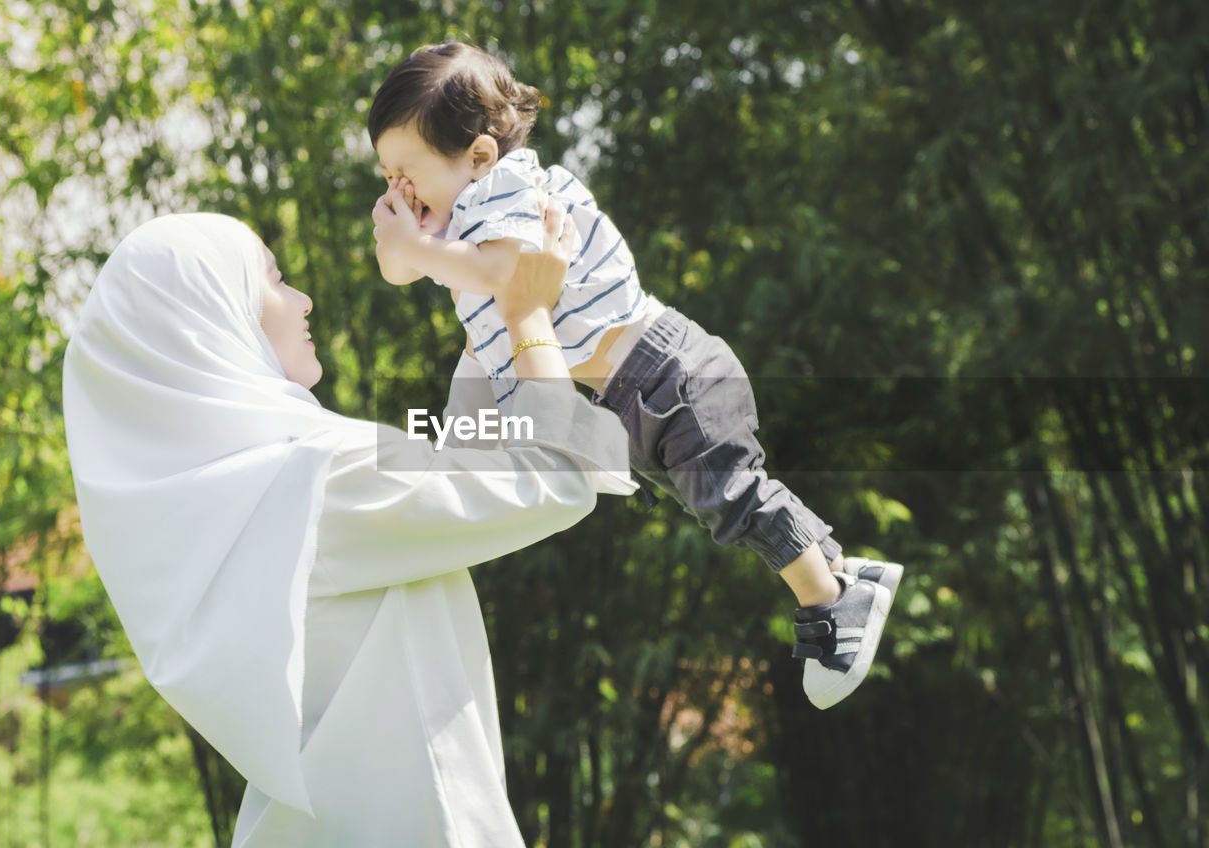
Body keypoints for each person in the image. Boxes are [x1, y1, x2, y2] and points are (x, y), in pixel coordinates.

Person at [62, 209, 635, 846]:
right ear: (212, 319)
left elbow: (457, 470)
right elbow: (550, 478)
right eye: (275, 281)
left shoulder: (252, 490)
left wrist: (485, 335)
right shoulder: (318, 477)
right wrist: (528, 317)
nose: (302, 300)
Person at [366, 41, 904, 709]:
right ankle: (851, 573)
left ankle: (831, 602)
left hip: (667, 372)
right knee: (722, 507)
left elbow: (504, 278)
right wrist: (407, 237)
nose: (398, 190)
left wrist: (418, 245)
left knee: (733, 498)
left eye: (407, 172)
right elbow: (400, 268)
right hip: (629, 396)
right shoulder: (456, 229)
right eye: (386, 176)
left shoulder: (509, 192)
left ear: (477, 156)